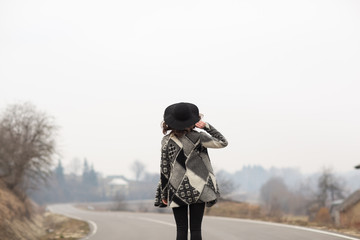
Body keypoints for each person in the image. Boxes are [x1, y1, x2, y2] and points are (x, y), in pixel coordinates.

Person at [154, 102, 228, 240]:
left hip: (176, 189)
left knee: (181, 230)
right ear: (193, 120)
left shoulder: (166, 141)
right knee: (195, 229)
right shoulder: (199, 138)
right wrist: (206, 126)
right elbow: (223, 142)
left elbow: (164, 169)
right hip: (200, 188)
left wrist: (164, 193)